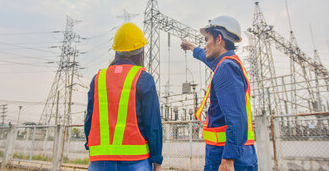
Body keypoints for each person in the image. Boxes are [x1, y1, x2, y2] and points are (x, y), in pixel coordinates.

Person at [181, 16, 258, 171]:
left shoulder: (226, 68)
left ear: (219, 39)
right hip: (237, 152)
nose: (205, 46)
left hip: (227, 155)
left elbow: (237, 117)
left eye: (206, 40)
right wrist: (191, 47)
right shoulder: (228, 62)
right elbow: (206, 56)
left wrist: (229, 158)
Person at [84, 22, 163, 171]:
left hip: (99, 162)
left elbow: (89, 120)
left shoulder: (98, 79)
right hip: (136, 162)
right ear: (141, 52)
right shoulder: (143, 78)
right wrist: (157, 160)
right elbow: (153, 125)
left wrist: (92, 155)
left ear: (116, 51)